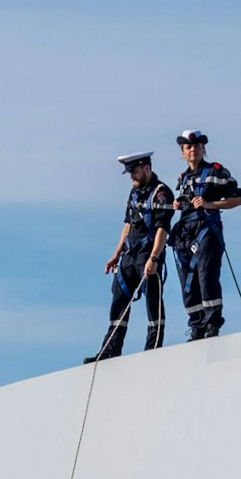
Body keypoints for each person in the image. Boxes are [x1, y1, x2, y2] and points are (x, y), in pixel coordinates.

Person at [88, 152, 174, 363]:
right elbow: (128, 224)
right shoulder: (134, 192)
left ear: (146, 168)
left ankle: (153, 348)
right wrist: (116, 254)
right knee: (118, 300)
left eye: (134, 172)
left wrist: (154, 258)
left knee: (153, 302)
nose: (132, 177)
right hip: (129, 255)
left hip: (148, 255)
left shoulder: (162, 194)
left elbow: (163, 229)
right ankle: (110, 350)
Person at [170, 130, 241, 340]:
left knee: (205, 275)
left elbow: (237, 199)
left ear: (203, 149)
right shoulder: (182, 179)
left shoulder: (216, 172)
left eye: (197, 146)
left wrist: (209, 204)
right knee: (187, 282)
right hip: (184, 234)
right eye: (188, 147)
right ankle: (196, 325)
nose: (193, 150)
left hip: (207, 229)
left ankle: (212, 323)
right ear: (182, 152)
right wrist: (178, 204)